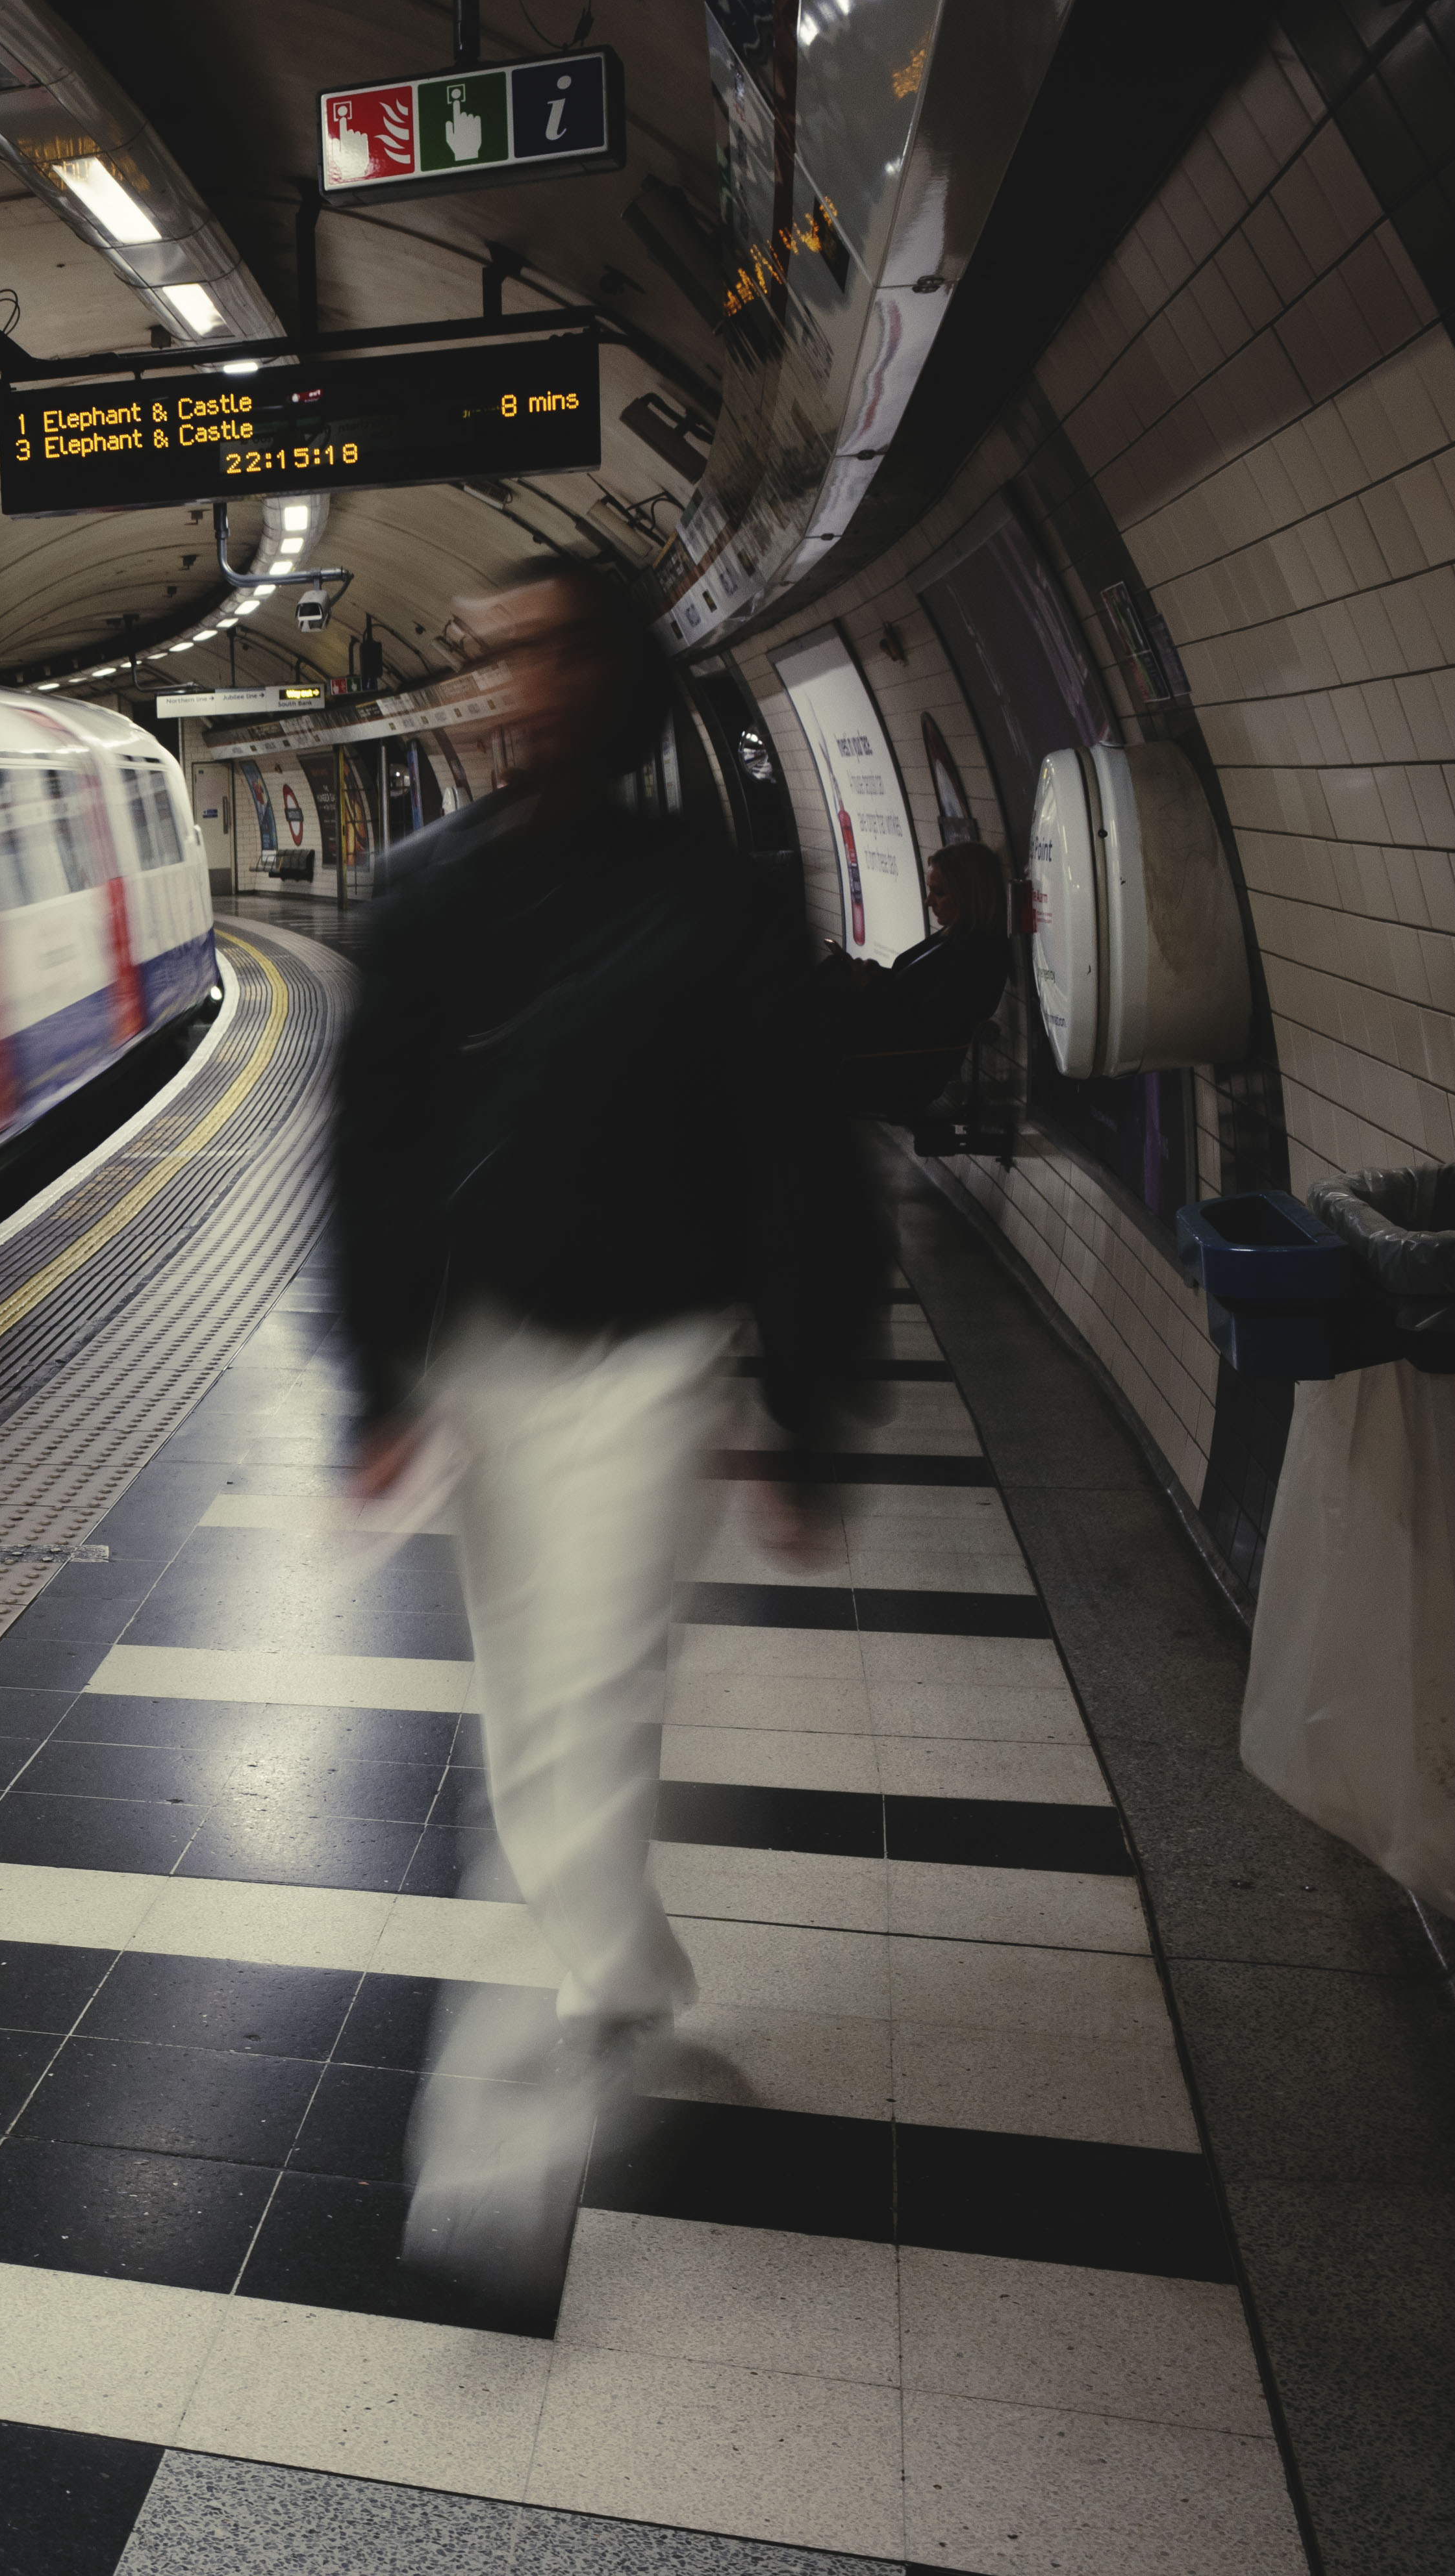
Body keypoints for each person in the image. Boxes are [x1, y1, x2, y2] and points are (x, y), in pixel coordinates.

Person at [327, 556, 887, 2290]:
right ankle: (629, 1977)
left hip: (653, 1359)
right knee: (532, 1703)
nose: (504, 687)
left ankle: (500, 2131)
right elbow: (371, 1156)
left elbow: (805, 1160)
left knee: (584, 1699)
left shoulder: (711, 899)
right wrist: (379, 1383)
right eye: (483, 658)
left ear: (619, 680)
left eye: (544, 654)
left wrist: (806, 1410)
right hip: (493, 1357)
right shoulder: (416, 900)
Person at [825, 840, 1015, 1121]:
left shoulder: (977, 956)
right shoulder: (953, 938)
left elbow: (924, 1023)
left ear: (970, 895)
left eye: (938, 893)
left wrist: (870, 990)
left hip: (895, 1072)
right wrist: (881, 977)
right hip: (882, 1055)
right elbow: (913, 997)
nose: (928, 901)